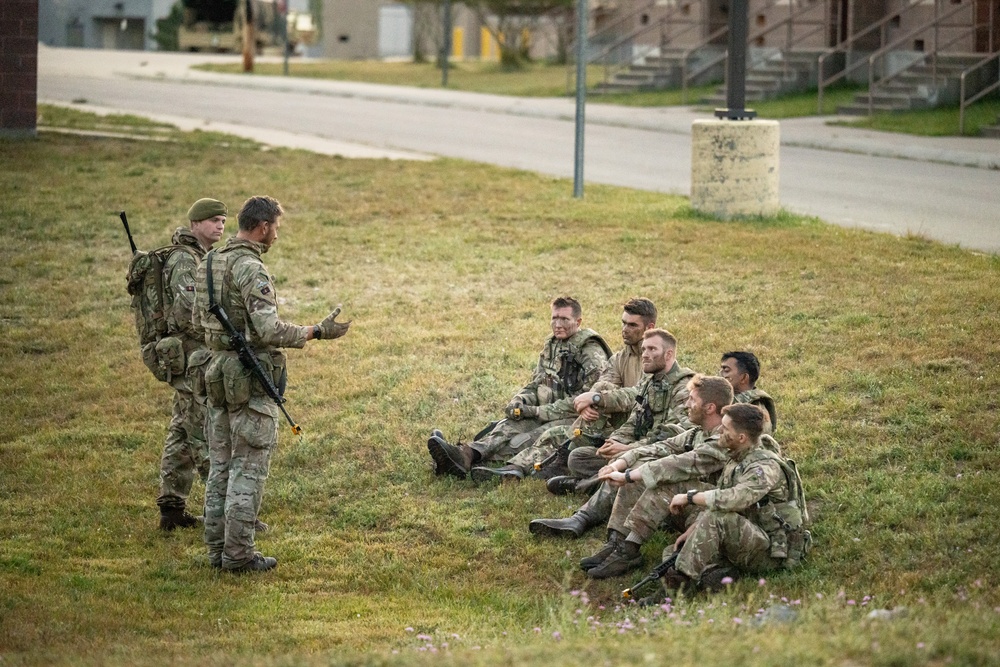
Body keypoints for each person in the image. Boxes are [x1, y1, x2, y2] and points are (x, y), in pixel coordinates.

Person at [196, 195, 351, 573]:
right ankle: (237, 556)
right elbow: (267, 329)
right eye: (276, 228)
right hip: (248, 379)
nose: (276, 236)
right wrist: (315, 331)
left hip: (215, 372)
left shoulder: (209, 262)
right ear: (262, 227)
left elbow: (196, 318)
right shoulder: (251, 268)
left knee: (220, 467)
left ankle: (217, 551)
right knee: (247, 469)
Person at [527, 329, 695, 538]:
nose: (644, 354)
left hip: (661, 457)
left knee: (628, 464)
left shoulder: (684, 387)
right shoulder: (651, 382)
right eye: (643, 349)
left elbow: (674, 437)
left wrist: (627, 450)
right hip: (635, 451)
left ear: (669, 354)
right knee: (579, 457)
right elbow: (634, 420)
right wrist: (615, 441)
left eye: (652, 349)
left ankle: (581, 517)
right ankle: (595, 487)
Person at [429, 297, 611, 481]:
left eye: (564, 319)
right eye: (554, 318)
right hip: (545, 410)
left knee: (537, 437)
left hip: (574, 418)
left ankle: (511, 469)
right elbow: (538, 382)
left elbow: (588, 401)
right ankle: (467, 455)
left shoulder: (591, 352)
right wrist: (521, 399)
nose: (558, 324)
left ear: (578, 322)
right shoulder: (552, 345)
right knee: (508, 425)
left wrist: (537, 411)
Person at [582, 375, 734, 579]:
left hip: (714, 512)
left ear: (710, 408)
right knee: (640, 471)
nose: (686, 405)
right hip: (690, 505)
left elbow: (680, 464)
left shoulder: (724, 440)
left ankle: (630, 549)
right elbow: (658, 448)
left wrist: (628, 475)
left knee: (659, 480)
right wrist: (620, 463)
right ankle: (617, 542)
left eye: (692, 400)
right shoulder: (698, 433)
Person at [499, 297, 658, 481]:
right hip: (617, 425)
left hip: (644, 430)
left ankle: (576, 472)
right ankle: (520, 467)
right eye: (623, 323)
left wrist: (596, 400)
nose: (625, 329)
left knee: (579, 449)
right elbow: (602, 384)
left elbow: (639, 394)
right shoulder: (620, 358)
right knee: (557, 434)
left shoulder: (656, 358)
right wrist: (589, 401)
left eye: (632, 325)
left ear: (649, 327)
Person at [660, 403, 810, 593]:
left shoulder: (764, 466)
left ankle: (677, 589)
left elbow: (737, 499)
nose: (719, 432)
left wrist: (690, 497)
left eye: (725, 429)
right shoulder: (736, 458)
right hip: (751, 534)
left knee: (717, 519)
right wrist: (692, 531)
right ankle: (715, 574)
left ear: (741, 437)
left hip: (773, 551)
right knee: (674, 553)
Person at [155, 198, 227, 531]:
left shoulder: (201, 256)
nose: (220, 226)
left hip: (190, 356)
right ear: (195, 224)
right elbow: (187, 313)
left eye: (223, 221)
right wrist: (219, 333)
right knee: (202, 433)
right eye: (213, 220)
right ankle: (226, 511)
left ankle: (171, 510)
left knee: (181, 432)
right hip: (189, 358)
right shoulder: (185, 260)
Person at [719, 351, 777, 431]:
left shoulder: (757, 413)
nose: (720, 374)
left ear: (743, 378)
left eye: (726, 370)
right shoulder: (725, 399)